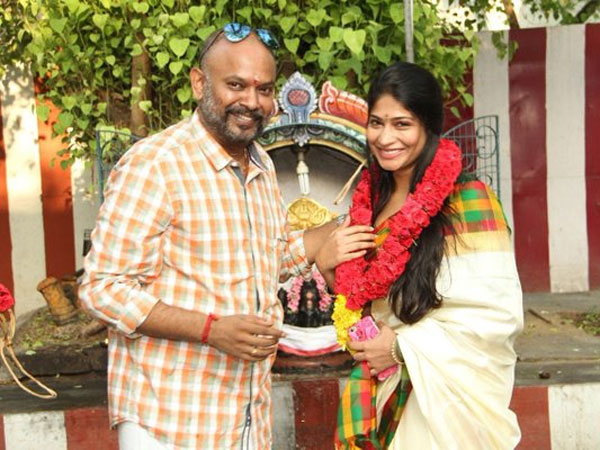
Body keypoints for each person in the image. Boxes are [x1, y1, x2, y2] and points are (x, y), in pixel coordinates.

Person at [78, 23, 353, 450]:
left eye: (264, 89)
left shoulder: (260, 163)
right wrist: (211, 330)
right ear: (199, 83)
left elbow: (270, 259)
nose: (252, 102)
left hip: (246, 416)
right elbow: (102, 289)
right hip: (170, 423)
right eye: (236, 85)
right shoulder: (156, 165)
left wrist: (333, 232)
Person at [316, 62, 523, 449]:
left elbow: (496, 316)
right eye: (376, 123)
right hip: (379, 388)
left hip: (443, 402)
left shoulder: (469, 200)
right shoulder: (372, 199)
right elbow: (362, 298)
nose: (385, 137)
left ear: (428, 126)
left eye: (402, 124)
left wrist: (401, 349)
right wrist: (330, 270)